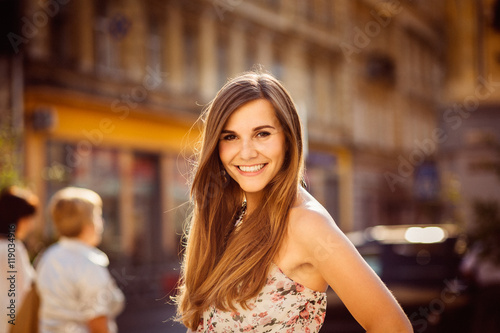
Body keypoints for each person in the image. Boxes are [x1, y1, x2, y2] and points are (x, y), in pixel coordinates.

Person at [174, 72, 412, 332]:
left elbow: (393, 327)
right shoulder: (232, 221)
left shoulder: (306, 224)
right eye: (230, 136)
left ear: (288, 139)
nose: (247, 152)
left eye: (262, 134)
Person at [36, 187, 124, 333]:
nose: (101, 223)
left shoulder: (47, 256)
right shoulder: (89, 263)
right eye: (98, 216)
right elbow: (97, 322)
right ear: (88, 224)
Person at [0, 186, 39, 332]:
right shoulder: (13, 249)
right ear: (18, 218)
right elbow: (25, 290)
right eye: (28, 219)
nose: (31, 225)